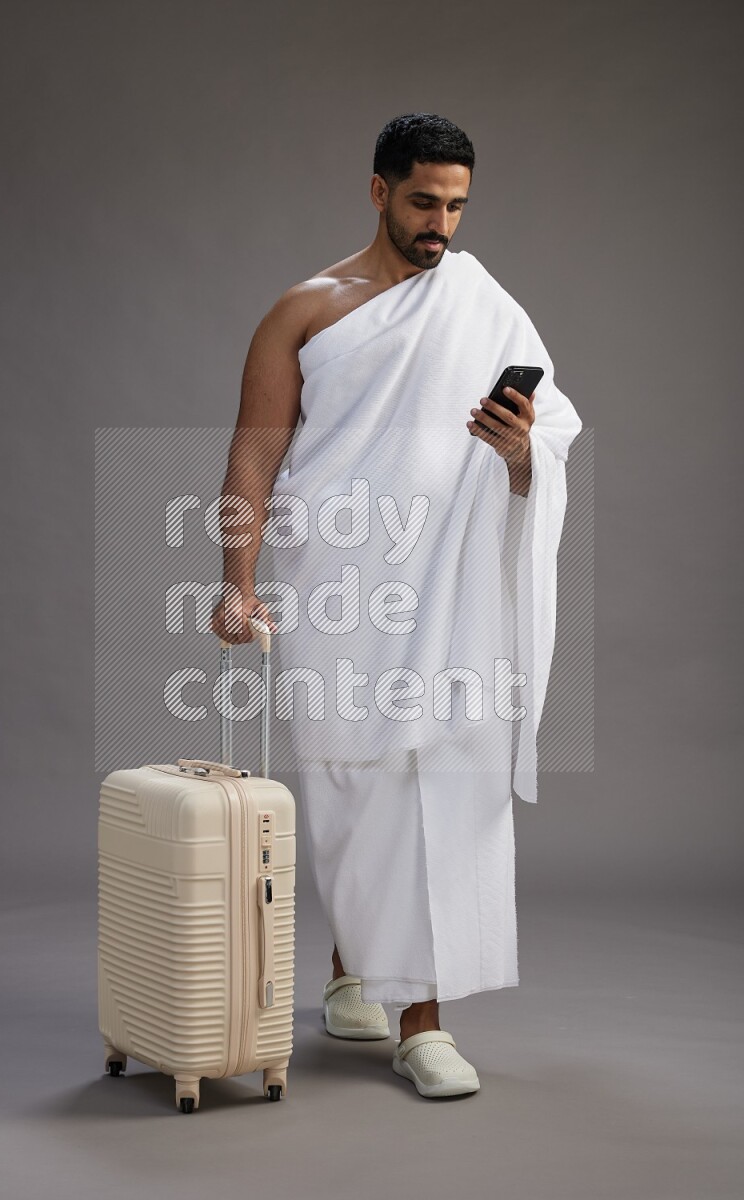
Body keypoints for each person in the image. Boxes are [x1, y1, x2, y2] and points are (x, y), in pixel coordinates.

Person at [211, 113, 582, 1098]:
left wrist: (516, 452)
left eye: (456, 205)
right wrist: (235, 584)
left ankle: (421, 1020)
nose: (440, 224)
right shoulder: (305, 310)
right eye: (423, 201)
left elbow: (545, 439)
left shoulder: (480, 305)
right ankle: (349, 973)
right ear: (378, 191)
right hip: (334, 584)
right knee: (351, 794)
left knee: (437, 781)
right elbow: (254, 453)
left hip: (449, 580)